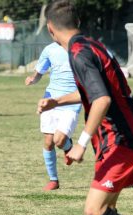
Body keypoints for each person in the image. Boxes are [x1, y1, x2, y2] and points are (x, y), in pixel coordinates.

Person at [39, 1, 133, 215]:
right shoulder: (91, 44)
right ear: (77, 22)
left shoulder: (78, 53)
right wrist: (56, 101)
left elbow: (102, 99)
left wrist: (80, 143)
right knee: (107, 211)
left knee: (94, 209)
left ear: (50, 28)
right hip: (124, 135)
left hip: (122, 138)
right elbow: (97, 91)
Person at [25, 42, 81, 191]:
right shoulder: (49, 50)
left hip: (72, 101)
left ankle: (67, 146)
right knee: (49, 141)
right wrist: (33, 79)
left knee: (59, 139)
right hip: (50, 100)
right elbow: (39, 73)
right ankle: (53, 180)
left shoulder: (81, 47)